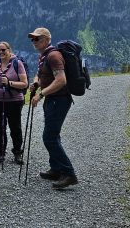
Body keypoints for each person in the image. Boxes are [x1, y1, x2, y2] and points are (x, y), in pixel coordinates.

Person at [28, 27, 78, 189]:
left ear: (47, 39)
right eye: (33, 39)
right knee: (53, 135)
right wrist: (36, 82)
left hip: (59, 100)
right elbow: (42, 74)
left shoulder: (53, 56)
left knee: (49, 137)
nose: (34, 41)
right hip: (53, 99)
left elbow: (61, 80)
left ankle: (69, 173)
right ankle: (56, 169)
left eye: (37, 38)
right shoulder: (44, 56)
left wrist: (41, 94)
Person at [0, 41, 28, 164]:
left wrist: (9, 83)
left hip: (14, 101)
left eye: (3, 50)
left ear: (9, 50)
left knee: (15, 127)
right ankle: (0, 153)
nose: (1, 52)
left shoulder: (17, 63)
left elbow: (24, 83)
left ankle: (17, 153)